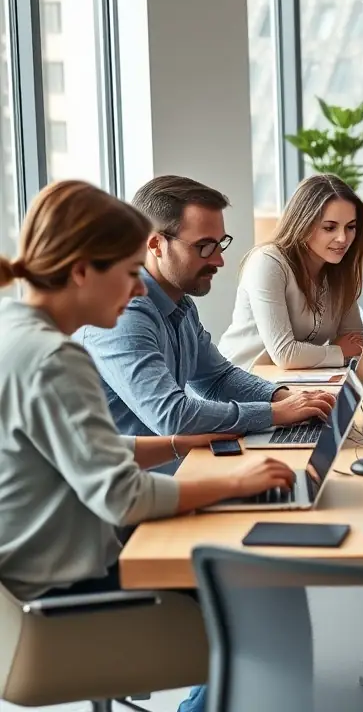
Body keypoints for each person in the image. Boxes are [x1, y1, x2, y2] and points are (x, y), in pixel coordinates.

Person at [0, 181, 298, 712]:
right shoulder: (53, 358)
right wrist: (233, 482)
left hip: (26, 582)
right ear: (80, 272)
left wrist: (180, 444)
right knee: (270, 589)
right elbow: (124, 498)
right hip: (63, 596)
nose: (138, 290)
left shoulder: (14, 330)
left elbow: (81, 450)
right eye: (128, 272)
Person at [76, 175, 334, 438]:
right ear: (155, 244)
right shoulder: (122, 313)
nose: (219, 260)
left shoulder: (180, 302)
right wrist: (275, 413)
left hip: (171, 464)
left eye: (220, 244)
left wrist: (285, 397)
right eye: (204, 247)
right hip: (133, 475)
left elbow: (217, 378)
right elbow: (172, 417)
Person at [220, 174, 363, 370]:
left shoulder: (339, 270)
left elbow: (355, 342)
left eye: (350, 227)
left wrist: (339, 351)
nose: (343, 238)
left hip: (291, 383)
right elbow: (285, 354)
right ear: (303, 223)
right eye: (330, 227)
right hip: (238, 381)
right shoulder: (267, 262)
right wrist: (338, 351)